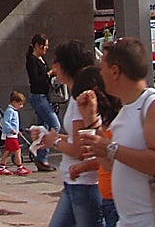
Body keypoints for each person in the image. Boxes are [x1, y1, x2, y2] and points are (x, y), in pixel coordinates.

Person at [74, 38, 155, 227]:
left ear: (115, 71)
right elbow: (111, 165)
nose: (100, 73)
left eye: (102, 67)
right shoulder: (126, 110)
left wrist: (111, 148)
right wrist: (91, 121)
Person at [39, 41, 101, 226]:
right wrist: (50, 138)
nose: (53, 67)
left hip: (84, 184)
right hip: (74, 184)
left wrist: (54, 142)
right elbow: (78, 138)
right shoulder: (78, 97)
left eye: (56, 61)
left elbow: (82, 149)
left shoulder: (79, 99)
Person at [67, 65, 122, 227]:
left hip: (118, 199)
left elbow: (115, 160)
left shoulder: (118, 121)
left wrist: (91, 123)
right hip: (108, 197)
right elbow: (108, 159)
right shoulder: (105, 121)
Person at [25, 33, 60, 172]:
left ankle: (40, 159)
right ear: (37, 46)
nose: (46, 49)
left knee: (42, 127)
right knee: (54, 125)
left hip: (44, 95)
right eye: (44, 46)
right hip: (38, 96)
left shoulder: (41, 59)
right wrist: (49, 73)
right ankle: (42, 155)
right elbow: (35, 79)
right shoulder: (32, 60)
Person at [0, 91, 31, 176]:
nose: (21, 106)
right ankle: (19, 167)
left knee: (8, 151)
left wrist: (17, 130)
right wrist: (12, 130)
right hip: (10, 135)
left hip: (12, 135)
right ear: (14, 102)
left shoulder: (13, 111)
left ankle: (2, 167)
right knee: (17, 150)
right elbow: (6, 122)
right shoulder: (10, 111)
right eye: (20, 104)